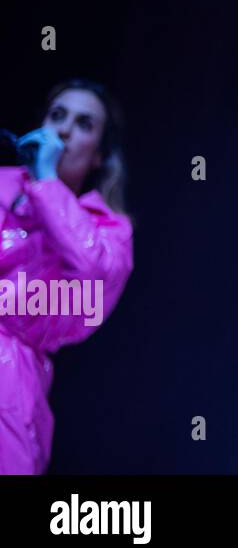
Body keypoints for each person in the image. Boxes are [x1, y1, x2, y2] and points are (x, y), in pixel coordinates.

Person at [0, 78, 134, 474]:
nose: (63, 130)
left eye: (83, 124)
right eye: (57, 116)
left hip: (9, 383)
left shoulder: (108, 230)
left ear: (99, 156)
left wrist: (47, 182)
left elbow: (93, 273)